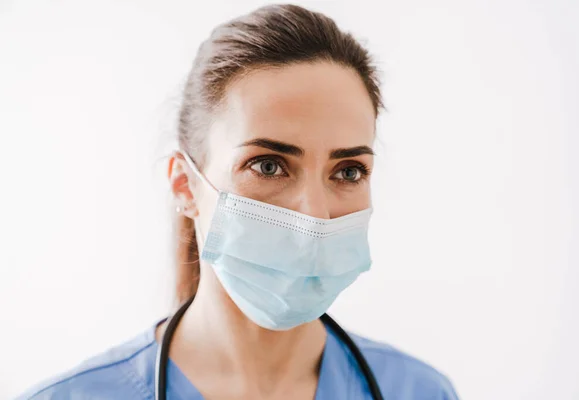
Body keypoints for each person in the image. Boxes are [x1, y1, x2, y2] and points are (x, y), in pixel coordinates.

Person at [17, 4, 459, 400]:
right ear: (185, 186)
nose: (315, 216)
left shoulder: (420, 390)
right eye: (268, 166)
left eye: (348, 172)